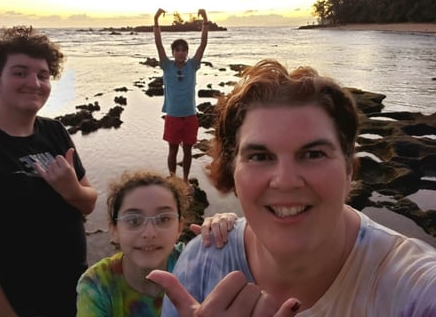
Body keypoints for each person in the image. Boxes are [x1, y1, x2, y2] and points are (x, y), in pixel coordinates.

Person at [147, 59, 436, 316]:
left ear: (349, 169)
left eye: (313, 154)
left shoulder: (415, 288)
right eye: (260, 157)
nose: (285, 181)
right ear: (232, 171)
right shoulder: (201, 265)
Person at [0, 26, 98, 316]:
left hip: (78, 292)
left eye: (43, 75)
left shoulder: (55, 132)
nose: (34, 83)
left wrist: (71, 190)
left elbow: (88, 201)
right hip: (22, 302)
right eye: (20, 73)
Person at [75, 170, 237, 316]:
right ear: (114, 230)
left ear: (179, 227)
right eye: (133, 220)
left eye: (163, 219)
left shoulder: (195, 265)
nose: (149, 233)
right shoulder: (97, 285)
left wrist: (235, 235)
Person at [153, 8, 209, 185]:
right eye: (177, 50)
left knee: (187, 151)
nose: (181, 52)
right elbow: (159, 45)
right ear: (173, 53)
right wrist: (155, 21)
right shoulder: (166, 66)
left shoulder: (192, 66)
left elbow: (203, 45)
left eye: (184, 50)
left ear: (187, 52)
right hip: (173, 116)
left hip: (190, 116)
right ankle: (172, 178)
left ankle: (184, 181)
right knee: (172, 151)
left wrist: (205, 20)